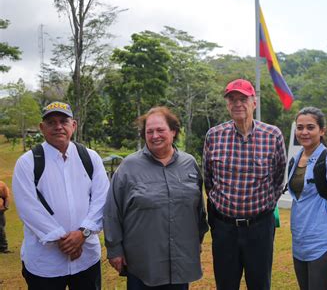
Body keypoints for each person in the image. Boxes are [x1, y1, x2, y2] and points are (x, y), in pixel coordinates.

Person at [104, 106, 208, 290]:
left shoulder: (189, 164)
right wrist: (115, 250)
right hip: (143, 264)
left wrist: (197, 240)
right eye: (149, 131)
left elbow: (198, 209)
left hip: (180, 263)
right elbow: (112, 211)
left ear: (173, 132)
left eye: (160, 130)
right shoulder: (129, 167)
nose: (154, 136)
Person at [12, 101, 110, 290]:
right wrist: (63, 240)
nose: (58, 127)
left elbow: (102, 199)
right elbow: (28, 208)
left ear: (73, 125)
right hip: (45, 263)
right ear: (42, 127)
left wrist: (83, 234)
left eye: (64, 121)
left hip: (86, 258)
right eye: (51, 122)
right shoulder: (28, 163)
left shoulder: (90, 158)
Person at [203, 78, 286, 290]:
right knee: (226, 284)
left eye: (243, 99)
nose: (237, 103)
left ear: (254, 102)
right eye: (232, 99)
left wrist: (264, 206)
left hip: (260, 227)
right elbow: (208, 180)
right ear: (227, 104)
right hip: (224, 228)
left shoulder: (272, 135)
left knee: (260, 284)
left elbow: (278, 177)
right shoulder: (214, 136)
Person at [287, 107, 327, 290]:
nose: (304, 132)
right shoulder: (296, 159)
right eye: (300, 127)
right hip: (299, 244)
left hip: (323, 244)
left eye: (310, 127)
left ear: (322, 130)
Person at [0, 180, 11, 253]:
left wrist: (5, 207)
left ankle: (3, 247)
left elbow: (6, 196)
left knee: (0, 229)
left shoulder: (1, 185)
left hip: (0, 211)